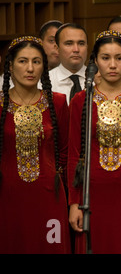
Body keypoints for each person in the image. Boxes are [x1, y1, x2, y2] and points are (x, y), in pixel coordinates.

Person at [67, 30, 121, 254]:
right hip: (92, 193)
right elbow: (74, 154)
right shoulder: (81, 100)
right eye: (106, 58)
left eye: (119, 58)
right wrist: (74, 202)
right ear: (95, 61)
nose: (112, 65)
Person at [0, 36, 70, 253]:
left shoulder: (57, 102)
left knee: (52, 246)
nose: (30, 68)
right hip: (8, 198)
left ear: (44, 66)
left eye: (36, 61)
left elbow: (66, 153)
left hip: (50, 197)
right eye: (22, 61)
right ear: (10, 66)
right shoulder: (0, 104)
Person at [49, 23, 88, 105]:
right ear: (57, 48)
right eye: (69, 43)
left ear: (87, 47)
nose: (76, 49)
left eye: (81, 43)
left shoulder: (98, 80)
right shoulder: (44, 82)